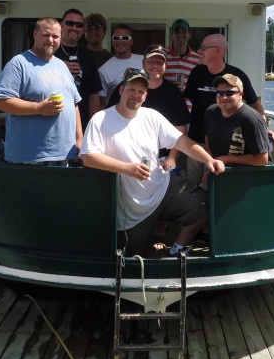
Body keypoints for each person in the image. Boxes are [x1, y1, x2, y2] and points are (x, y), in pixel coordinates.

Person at [81, 68, 225, 257]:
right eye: (132, 89)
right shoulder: (100, 119)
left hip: (163, 188)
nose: (136, 95)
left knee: (207, 206)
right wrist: (126, 168)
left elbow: (182, 142)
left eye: (141, 92)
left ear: (146, 95)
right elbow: (88, 157)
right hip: (130, 208)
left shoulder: (152, 116)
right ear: (121, 90)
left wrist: (209, 160)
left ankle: (177, 248)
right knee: (134, 256)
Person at [0, 17, 82, 164]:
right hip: (30, 158)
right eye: (46, 35)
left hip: (65, 155)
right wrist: (39, 108)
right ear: (35, 34)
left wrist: (79, 139)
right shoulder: (18, 64)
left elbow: (74, 104)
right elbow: (2, 102)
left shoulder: (62, 66)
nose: (51, 40)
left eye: (55, 36)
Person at [184, 33, 264, 184]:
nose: (199, 51)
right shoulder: (196, 73)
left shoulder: (237, 76)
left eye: (203, 48)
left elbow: (255, 103)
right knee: (192, 183)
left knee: (215, 185)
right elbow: (188, 100)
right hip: (196, 141)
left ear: (218, 51)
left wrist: (262, 129)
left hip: (222, 146)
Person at [105, 44, 190, 171]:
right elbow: (109, 117)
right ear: (143, 63)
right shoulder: (125, 87)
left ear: (165, 65)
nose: (155, 66)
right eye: (151, 62)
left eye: (159, 62)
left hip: (160, 158)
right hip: (126, 155)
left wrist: (172, 157)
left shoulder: (173, 92)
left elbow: (180, 128)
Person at [205, 74, 269, 166]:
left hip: (244, 176)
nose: (223, 97)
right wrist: (210, 165)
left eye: (229, 93)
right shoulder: (210, 112)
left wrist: (225, 159)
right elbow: (207, 138)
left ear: (241, 94)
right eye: (219, 93)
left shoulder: (252, 119)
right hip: (217, 172)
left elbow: (262, 160)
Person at [54, 8, 101, 130]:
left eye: (79, 25)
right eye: (70, 23)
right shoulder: (49, 52)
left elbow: (93, 95)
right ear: (61, 25)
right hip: (53, 122)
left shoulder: (88, 56)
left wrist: (95, 126)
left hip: (82, 124)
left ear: (83, 29)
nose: (74, 28)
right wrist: (59, 68)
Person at [97, 24, 143, 105]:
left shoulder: (144, 61)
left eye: (125, 38)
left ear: (131, 41)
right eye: (116, 38)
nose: (120, 41)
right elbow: (103, 102)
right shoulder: (103, 70)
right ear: (112, 41)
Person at [164, 19, 201, 111]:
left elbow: (199, 87)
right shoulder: (162, 55)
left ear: (189, 34)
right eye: (177, 32)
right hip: (165, 107)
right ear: (172, 34)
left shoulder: (198, 59)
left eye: (184, 31)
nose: (180, 35)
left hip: (188, 110)